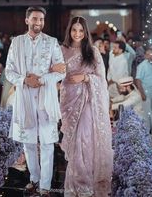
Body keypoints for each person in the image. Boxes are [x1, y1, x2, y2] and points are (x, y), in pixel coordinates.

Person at [5, 6, 65, 197]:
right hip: (25, 98)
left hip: (46, 97)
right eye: (34, 19)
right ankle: (34, 179)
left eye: (41, 19)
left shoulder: (52, 42)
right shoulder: (17, 43)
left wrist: (41, 80)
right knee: (29, 143)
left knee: (47, 143)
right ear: (27, 20)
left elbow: (61, 70)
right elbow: (9, 71)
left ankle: (45, 187)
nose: (38, 22)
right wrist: (24, 80)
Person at [53, 16, 113, 197]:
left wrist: (85, 78)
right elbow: (54, 73)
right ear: (69, 31)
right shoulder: (61, 50)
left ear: (85, 32)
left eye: (81, 30)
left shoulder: (92, 52)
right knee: (73, 146)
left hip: (87, 102)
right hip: (68, 103)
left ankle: (84, 184)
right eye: (74, 30)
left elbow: (101, 81)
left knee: (84, 141)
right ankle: (76, 185)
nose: (77, 34)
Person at [135, 47, 152, 137]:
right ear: (145, 55)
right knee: (146, 113)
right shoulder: (141, 66)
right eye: (148, 54)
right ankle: (147, 132)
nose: (150, 56)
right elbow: (138, 80)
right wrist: (142, 93)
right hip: (146, 93)